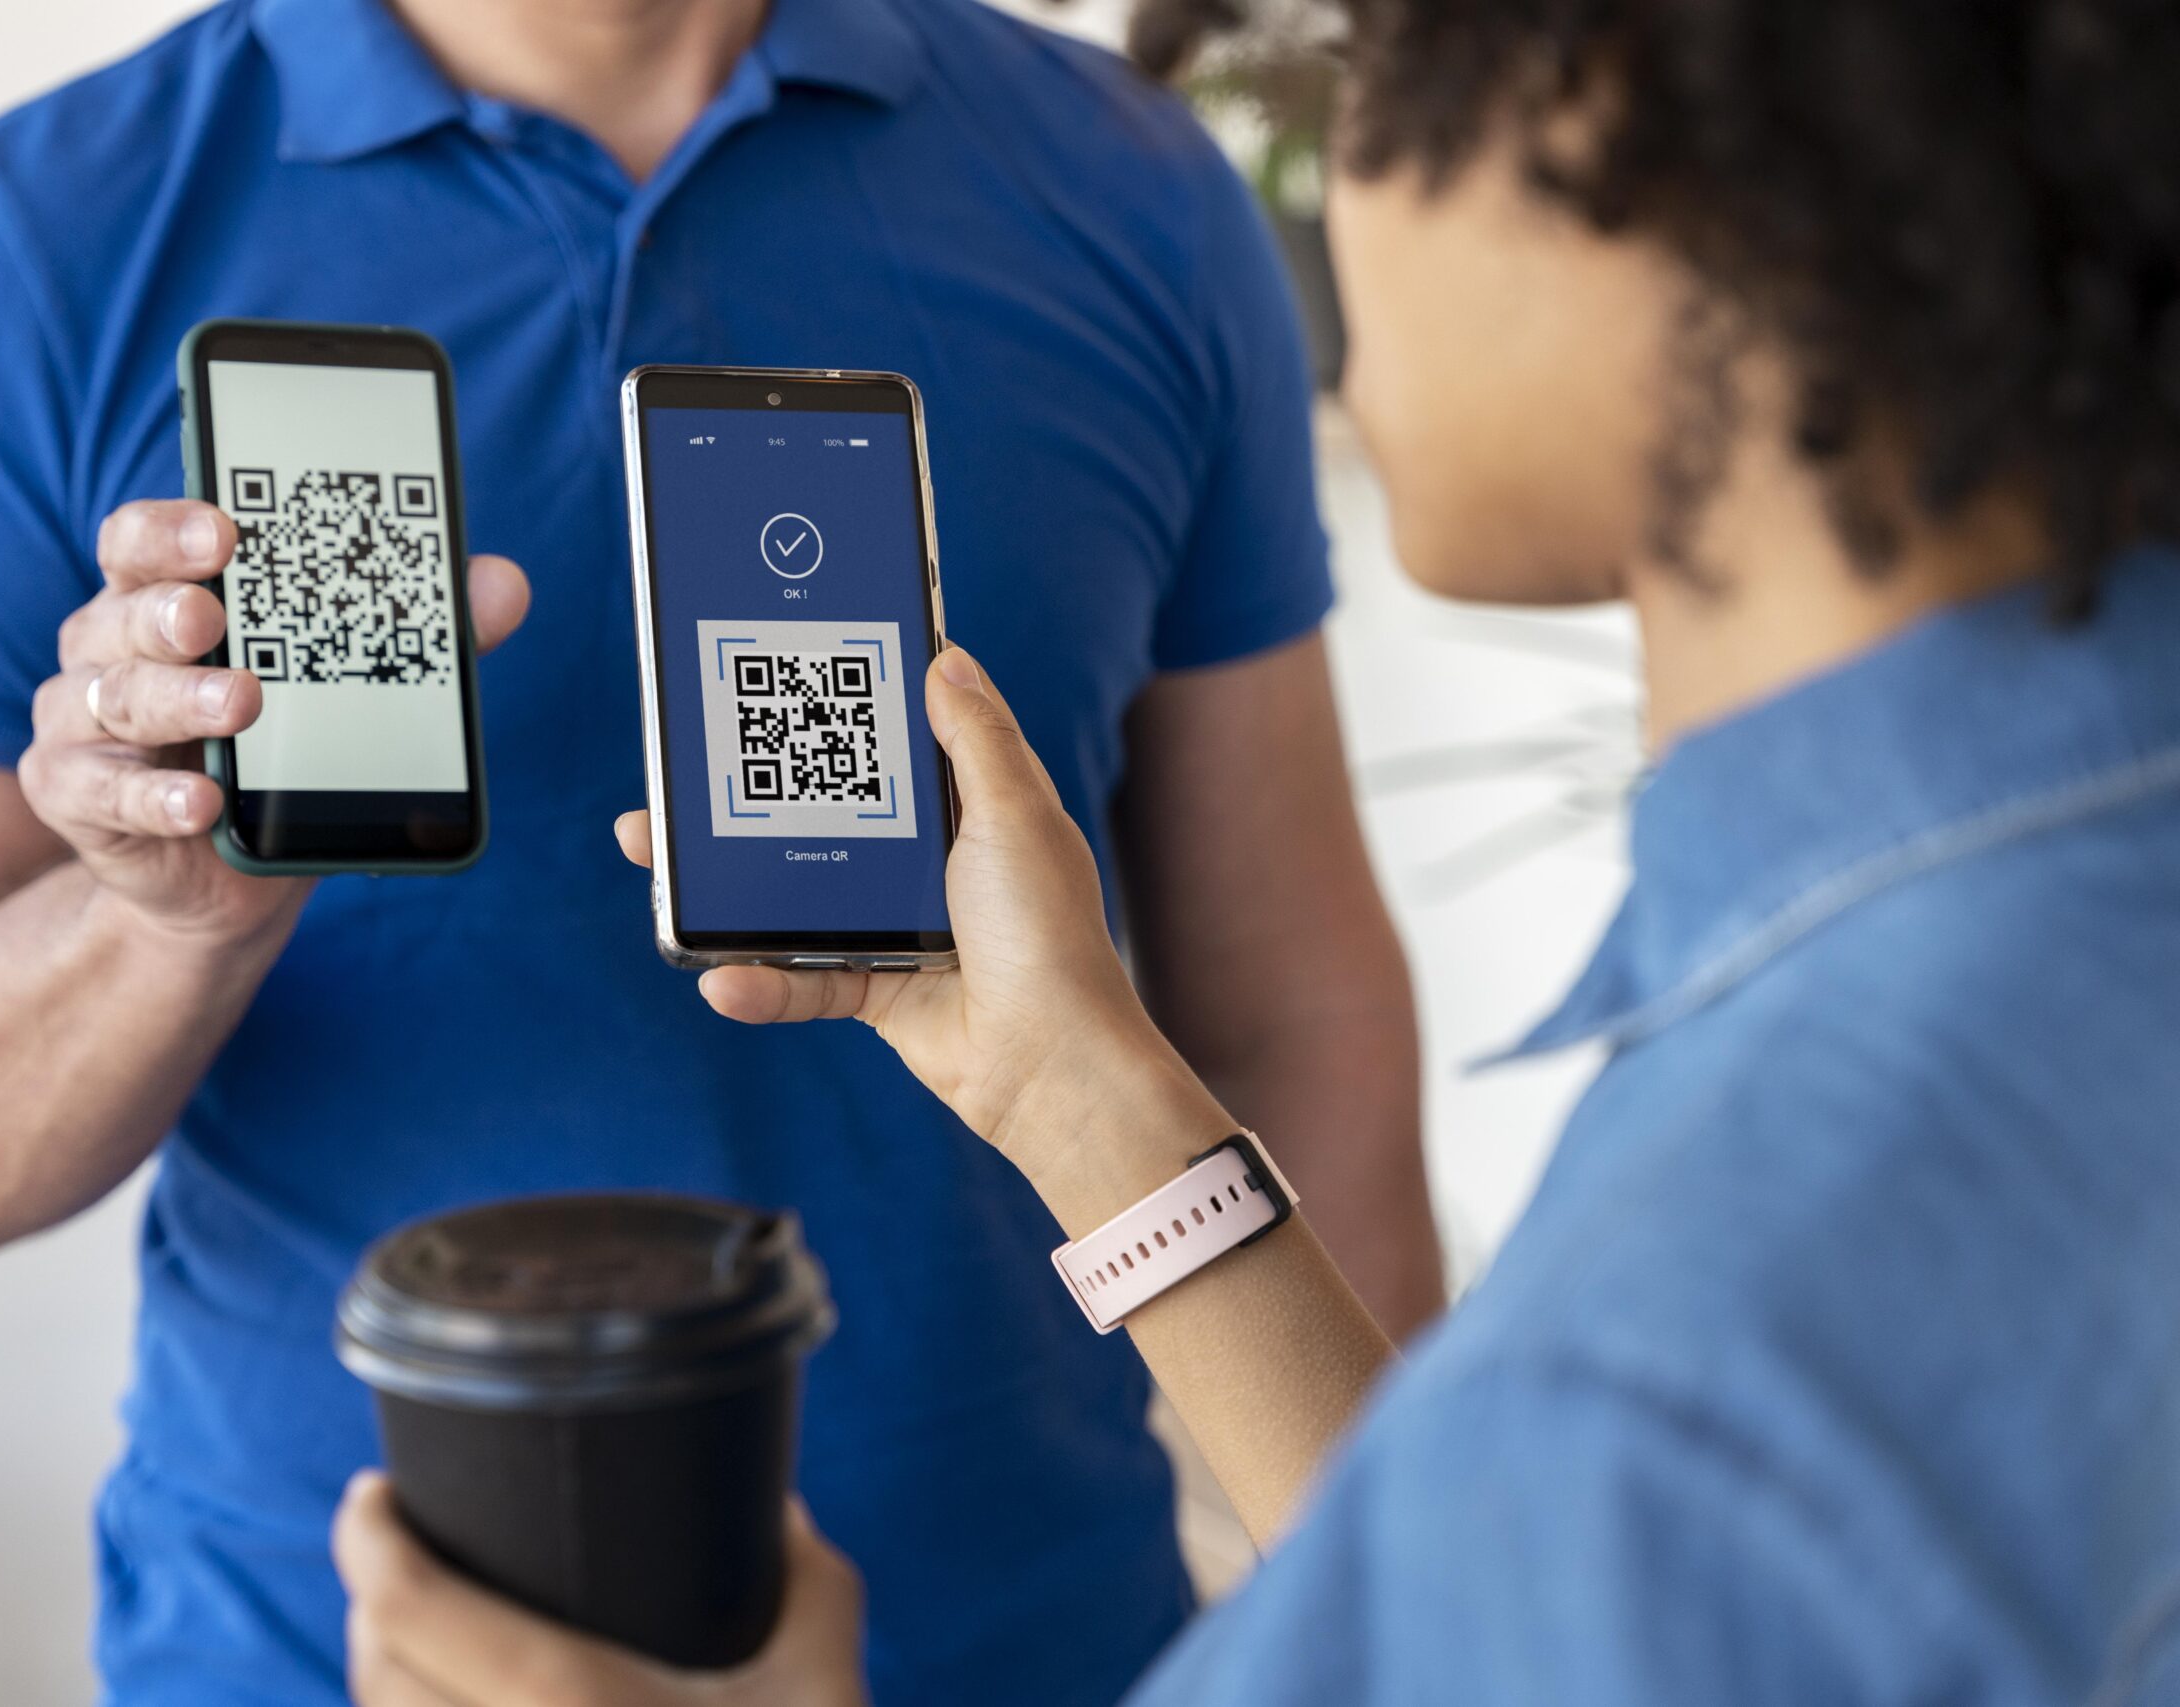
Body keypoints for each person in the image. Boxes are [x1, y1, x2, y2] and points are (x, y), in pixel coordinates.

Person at [327, 0, 2180, 1699]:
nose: (1339, 190)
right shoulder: (2058, 951)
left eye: (1376, 70)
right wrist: (1081, 1093)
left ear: (1601, 110)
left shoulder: (1699, 1350)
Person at [0, 0, 1438, 1701]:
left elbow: (1295, 1008)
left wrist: (1424, 1601)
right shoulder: (42, 229)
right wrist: (158, 926)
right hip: (316, 1652)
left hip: (1040, 1642)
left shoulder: (1132, 183)